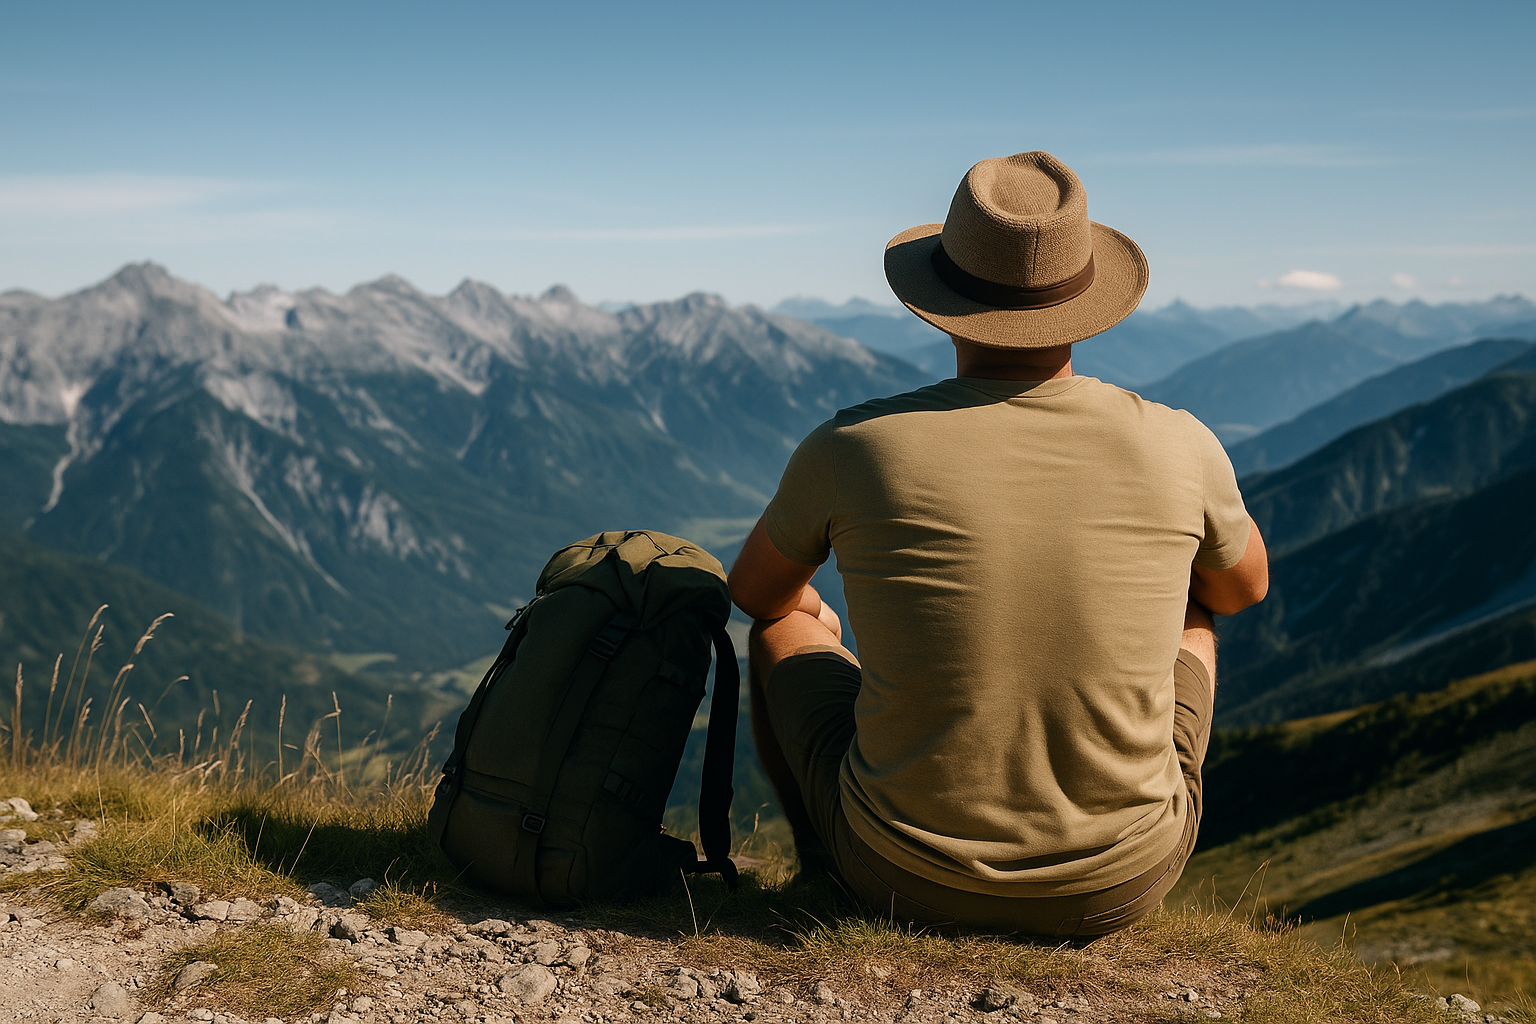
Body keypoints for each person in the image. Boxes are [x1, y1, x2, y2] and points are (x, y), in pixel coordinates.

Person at [727, 151, 1268, 936]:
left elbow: (754, 596)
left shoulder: (853, 445)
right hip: (1120, 885)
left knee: (782, 628)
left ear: (939, 300)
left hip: (898, 876)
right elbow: (1242, 590)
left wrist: (814, 607)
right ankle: (1115, 821)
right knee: (1195, 606)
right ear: (1088, 300)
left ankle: (828, 868)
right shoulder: (1184, 445)